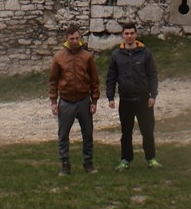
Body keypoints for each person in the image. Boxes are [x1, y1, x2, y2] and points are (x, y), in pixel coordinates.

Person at [106, 23, 160, 171]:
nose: (129, 36)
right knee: (126, 133)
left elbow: (152, 75)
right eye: (126, 33)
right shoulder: (116, 55)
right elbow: (111, 77)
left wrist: (153, 95)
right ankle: (125, 160)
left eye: (131, 33)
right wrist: (110, 97)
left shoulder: (145, 53)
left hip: (144, 100)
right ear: (122, 35)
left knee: (147, 131)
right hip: (126, 100)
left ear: (136, 34)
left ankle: (151, 159)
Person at [48, 26, 100, 175]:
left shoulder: (87, 57)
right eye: (72, 39)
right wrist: (53, 101)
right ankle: (65, 164)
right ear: (66, 39)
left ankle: (88, 163)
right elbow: (53, 81)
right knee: (63, 135)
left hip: (84, 100)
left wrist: (94, 101)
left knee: (88, 134)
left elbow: (94, 80)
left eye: (77, 38)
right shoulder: (59, 57)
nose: (75, 41)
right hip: (66, 101)